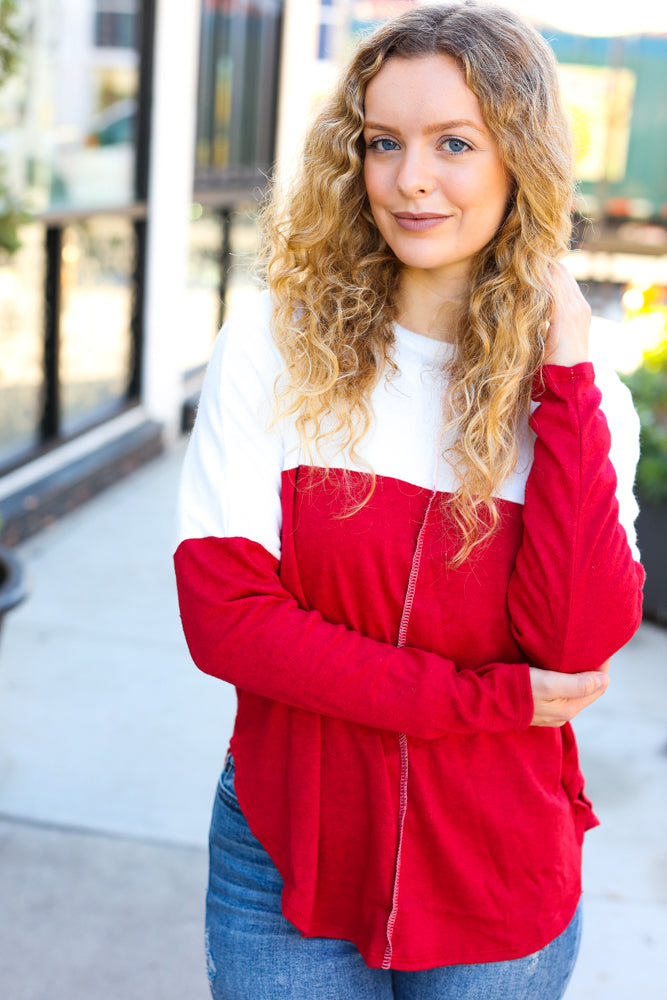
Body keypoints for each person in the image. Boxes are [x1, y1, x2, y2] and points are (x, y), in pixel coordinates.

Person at [174, 4, 645, 998]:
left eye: (454, 144)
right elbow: (227, 623)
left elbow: (572, 648)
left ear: (521, 160)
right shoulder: (271, 344)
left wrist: (561, 375)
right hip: (288, 858)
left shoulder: (581, 397)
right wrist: (477, 700)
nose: (408, 178)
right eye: (382, 142)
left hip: (497, 885)